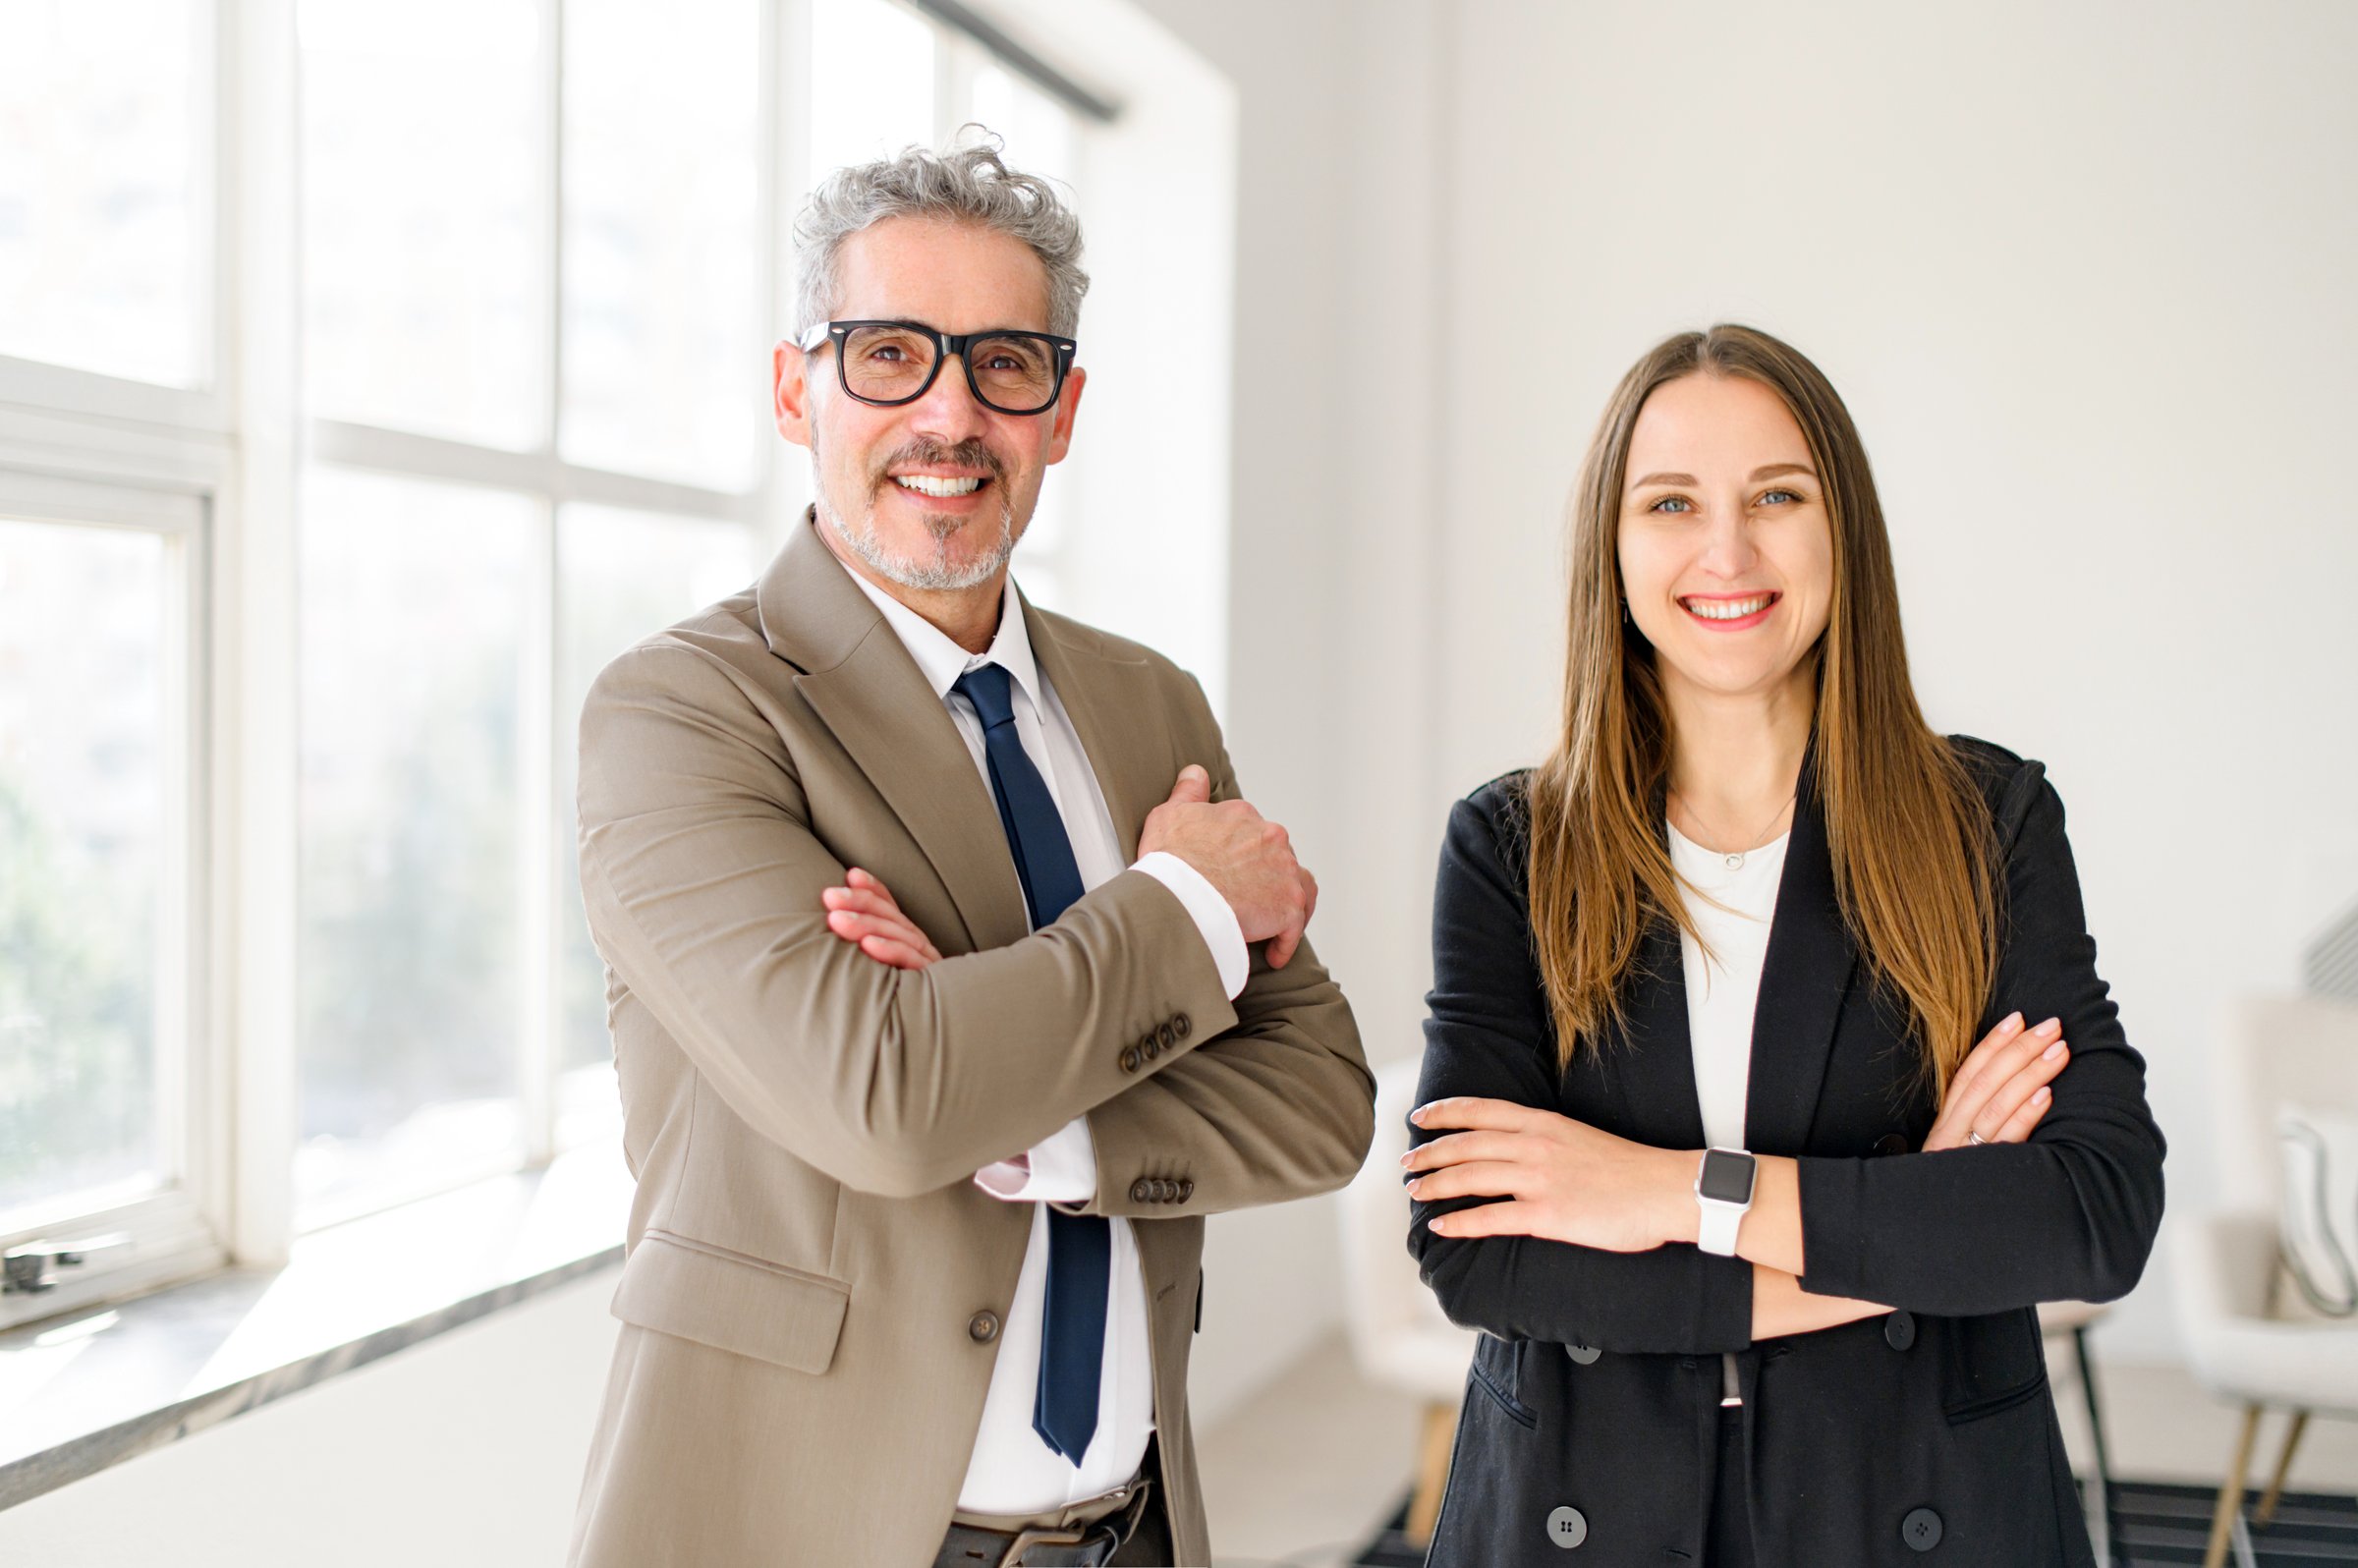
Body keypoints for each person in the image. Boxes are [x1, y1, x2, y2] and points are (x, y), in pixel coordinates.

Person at [565, 140, 1373, 1568]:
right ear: (791, 389)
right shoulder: (682, 712)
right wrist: (1183, 904)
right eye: (887, 352)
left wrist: (1046, 1128)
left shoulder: (1149, 706)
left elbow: (1319, 1100)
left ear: (1060, 412)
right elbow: (884, 1097)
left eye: (1004, 363)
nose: (950, 411)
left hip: (1133, 1529)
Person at [1401, 324, 2165, 1566]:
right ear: (1615, 542)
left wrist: (1650, 1189)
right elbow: (1473, 1251)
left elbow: (2094, 1210)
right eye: (1670, 502)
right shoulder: (1514, 845)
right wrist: (1903, 1235)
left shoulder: (1988, 821)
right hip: (1583, 1506)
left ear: (1840, 528)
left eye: (1776, 496)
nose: (1726, 550)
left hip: (1917, 1496)